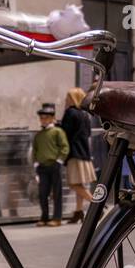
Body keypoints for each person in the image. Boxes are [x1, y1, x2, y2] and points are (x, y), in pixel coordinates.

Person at [60, 87, 96, 223]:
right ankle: (78, 212)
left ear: (73, 98)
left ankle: (96, 204)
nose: (66, 100)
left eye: (68, 97)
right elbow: (88, 134)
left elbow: (65, 133)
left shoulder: (70, 113)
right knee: (79, 184)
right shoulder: (85, 115)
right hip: (84, 153)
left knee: (73, 184)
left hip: (74, 153)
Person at [32, 103, 68, 226]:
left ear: (52, 118)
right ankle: (44, 216)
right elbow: (35, 150)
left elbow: (65, 147)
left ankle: (57, 218)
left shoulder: (58, 131)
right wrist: (36, 163)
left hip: (54, 165)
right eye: (41, 118)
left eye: (46, 117)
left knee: (57, 192)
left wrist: (59, 160)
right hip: (42, 167)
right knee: (43, 193)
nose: (43, 120)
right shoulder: (39, 135)